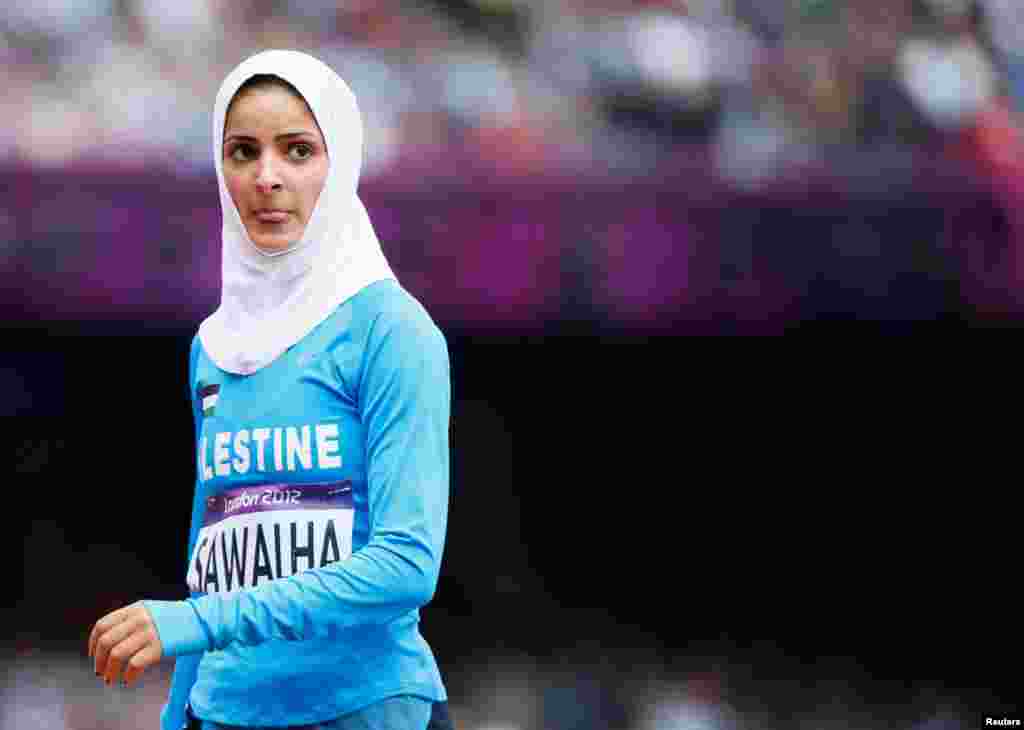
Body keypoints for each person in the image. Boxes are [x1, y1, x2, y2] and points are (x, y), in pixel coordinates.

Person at [87, 49, 454, 730]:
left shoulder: (392, 331)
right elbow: (211, 562)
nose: (267, 178)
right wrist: (178, 715)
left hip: (363, 710)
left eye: (298, 151)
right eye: (242, 152)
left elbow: (405, 566)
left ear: (339, 163)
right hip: (222, 712)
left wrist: (197, 620)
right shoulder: (212, 347)